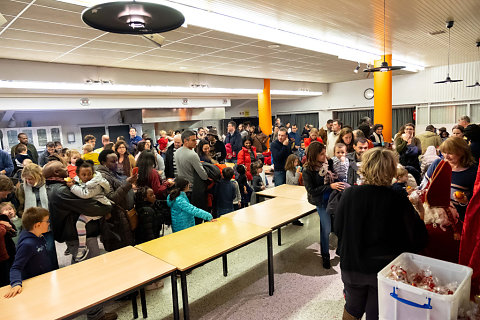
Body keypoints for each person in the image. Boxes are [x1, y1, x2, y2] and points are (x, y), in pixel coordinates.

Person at [335, 148, 428, 320]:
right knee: (376, 312)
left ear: (365, 168)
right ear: (392, 170)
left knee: (352, 308)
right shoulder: (397, 199)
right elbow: (416, 236)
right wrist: (420, 212)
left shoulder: (349, 194)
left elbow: (338, 228)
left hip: (352, 264)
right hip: (384, 269)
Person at [303, 142, 344, 269]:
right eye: (321, 154)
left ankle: (339, 250)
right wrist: (329, 186)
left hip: (333, 199)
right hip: (320, 201)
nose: (324, 156)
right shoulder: (307, 170)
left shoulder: (328, 163)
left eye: (325, 153)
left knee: (339, 226)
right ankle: (325, 256)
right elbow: (311, 190)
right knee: (326, 229)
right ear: (314, 155)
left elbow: (335, 177)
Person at [66, 159, 112, 262]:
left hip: (100, 206)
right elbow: (81, 184)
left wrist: (72, 187)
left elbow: (85, 195)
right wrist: (75, 182)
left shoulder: (95, 183)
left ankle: (82, 248)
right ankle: (82, 247)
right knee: (80, 223)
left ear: (93, 173)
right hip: (94, 207)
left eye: (89, 174)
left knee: (80, 223)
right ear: (78, 174)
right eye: (83, 175)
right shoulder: (85, 180)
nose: (86, 177)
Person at [4, 207, 54, 299]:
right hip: (34, 285)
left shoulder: (39, 236)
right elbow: (16, 267)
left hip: (44, 278)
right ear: (37, 225)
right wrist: (16, 283)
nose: (49, 223)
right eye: (47, 221)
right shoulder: (27, 244)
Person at [422, 137, 477, 221]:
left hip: (458, 219)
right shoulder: (437, 164)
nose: (446, 156)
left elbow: (475, 204)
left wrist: (465, 202)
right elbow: (423, 186)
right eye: (444, 152)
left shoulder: (472, 172)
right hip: (434, 217)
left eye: (450, 153)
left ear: (462, 152)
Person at [16, 163, 58, 270]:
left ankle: (54, 269)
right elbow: (20, 205)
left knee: (49, 248)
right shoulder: (23, 187)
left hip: (47, 222)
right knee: (35, 250)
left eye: (31, 178)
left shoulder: (48, 184)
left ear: (38, 176)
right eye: (26, 179)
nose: (28, 181)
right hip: (32, 223)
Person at [0, 202, 17, 286]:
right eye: (6, 210)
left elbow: (14, 232)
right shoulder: (3, 220)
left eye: (10, 209)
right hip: (6, 249)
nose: (9, 211)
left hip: (12, 248)